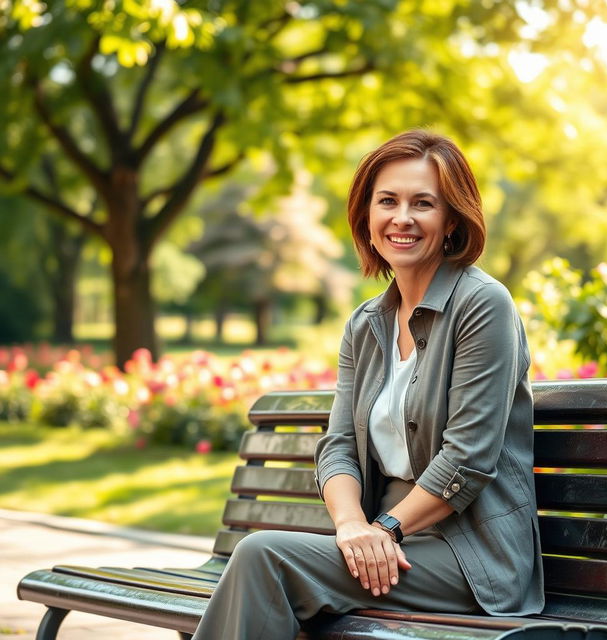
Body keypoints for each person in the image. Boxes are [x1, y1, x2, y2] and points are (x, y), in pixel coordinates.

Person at [191, 130, 544, 640]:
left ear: (451, 220)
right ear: (367, 217)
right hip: (384, 541)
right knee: (264, 569)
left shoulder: (482, 305)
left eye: (423, 203)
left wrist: (385, 529)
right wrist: (352, 526)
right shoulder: (366, 324)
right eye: (388, 201)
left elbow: (467, 458)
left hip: (471, 556)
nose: (402, 217)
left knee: (263, 557)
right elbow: (337, 447)